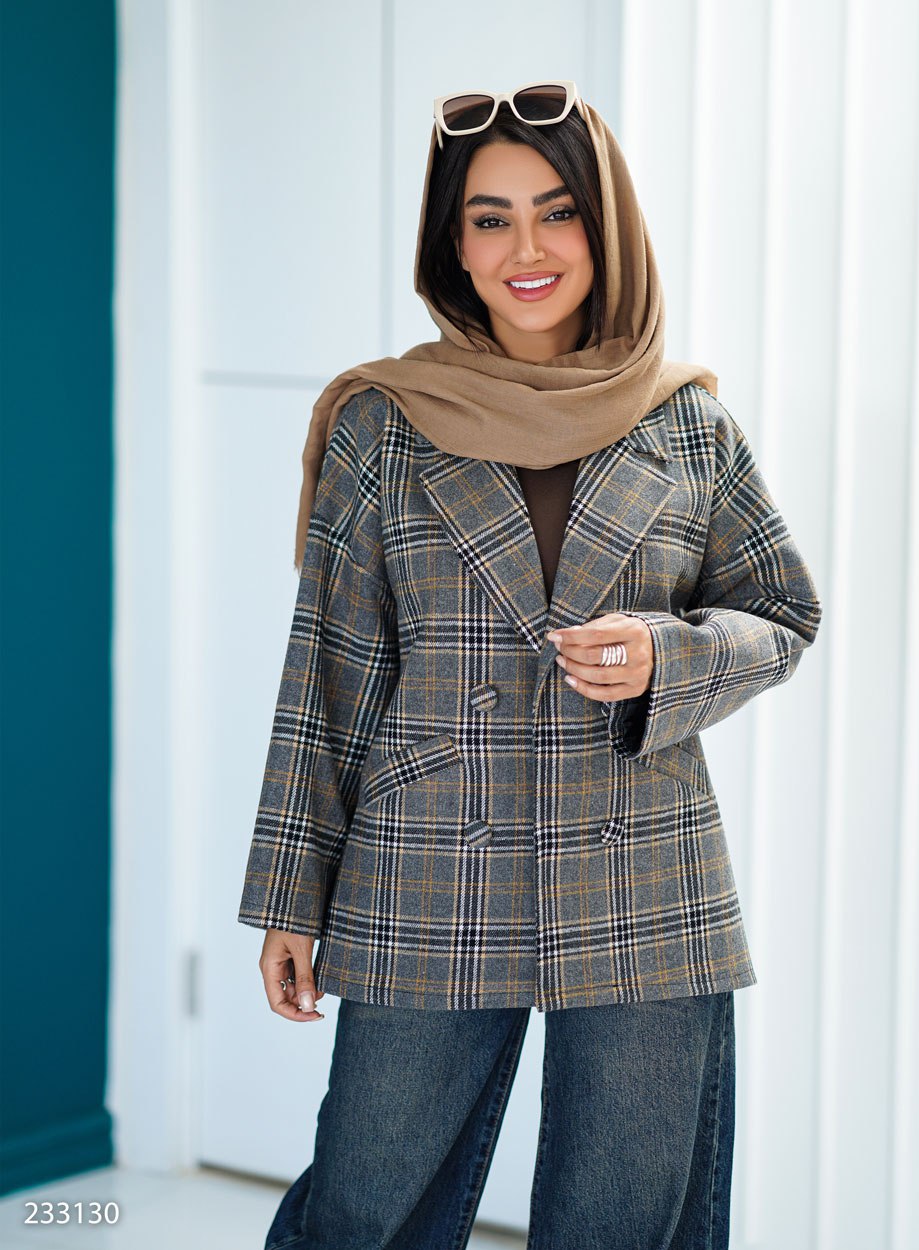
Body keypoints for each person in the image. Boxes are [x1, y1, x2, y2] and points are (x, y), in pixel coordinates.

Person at [238, 82, 823, 1250]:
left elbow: (782, 613)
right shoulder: (382, 420)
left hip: (644, 872)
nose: (527, 248)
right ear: (451, 244)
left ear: (606, 232)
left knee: (628, 1224)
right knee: (361, 1208)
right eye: (489, 217)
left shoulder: (686, 422)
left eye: (557, 212)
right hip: (425, 868)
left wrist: (668, 655)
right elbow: (328, 673)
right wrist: (289, 895)